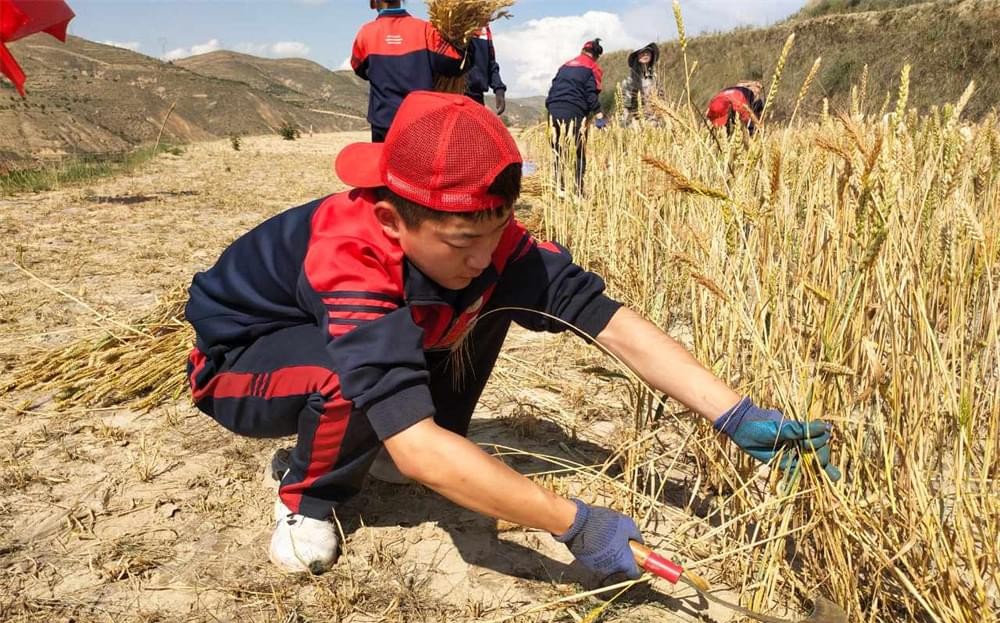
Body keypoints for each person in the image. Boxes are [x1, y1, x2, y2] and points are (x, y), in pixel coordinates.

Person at [184, 91, 840, 580]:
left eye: (497, 232)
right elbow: (418, 452)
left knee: (483, 301)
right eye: (463, 240)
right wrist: (575, 524)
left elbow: (610, 324)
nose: (484, 255)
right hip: (244, 362)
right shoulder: (350, 257)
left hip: (334, 335)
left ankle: (372, 437)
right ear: (391, 219)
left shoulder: (493, 247)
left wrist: (738, 415)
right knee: (343, 377)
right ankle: (305, 493)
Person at [350, 0, 467, 142]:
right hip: (420, 126)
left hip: (383, 126)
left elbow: (358, 68)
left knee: (386, 165)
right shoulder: (425, 30)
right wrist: (465, 41)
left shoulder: (366, 33)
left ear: (373, 2)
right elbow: (456, 64)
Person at [545, 38, 606, 194]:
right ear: (596, 55)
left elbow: (553, 87)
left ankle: (559, 188)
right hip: (573, 110)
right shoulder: (592, 67)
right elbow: (591, 95)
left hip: (553, 109)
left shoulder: (565, 65)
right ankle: (578, 190)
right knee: (579, 150)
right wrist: (599, 114)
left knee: (559, 150)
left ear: (582, 50)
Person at [465, 25, 506, 116]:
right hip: (457, 96)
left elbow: (491, 63)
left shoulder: (485, 32)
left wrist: (499, 88)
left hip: (478, 98)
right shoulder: (455, 25)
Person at [621, 43, 663, 126]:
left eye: (648, 51)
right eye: (642, 52)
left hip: (654, 121)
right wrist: (623, 124)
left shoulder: (655, 77)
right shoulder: (629, 81)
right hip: (636, 123)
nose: (645, 54)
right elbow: (625, 106)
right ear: (637, 56)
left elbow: (662, 99)